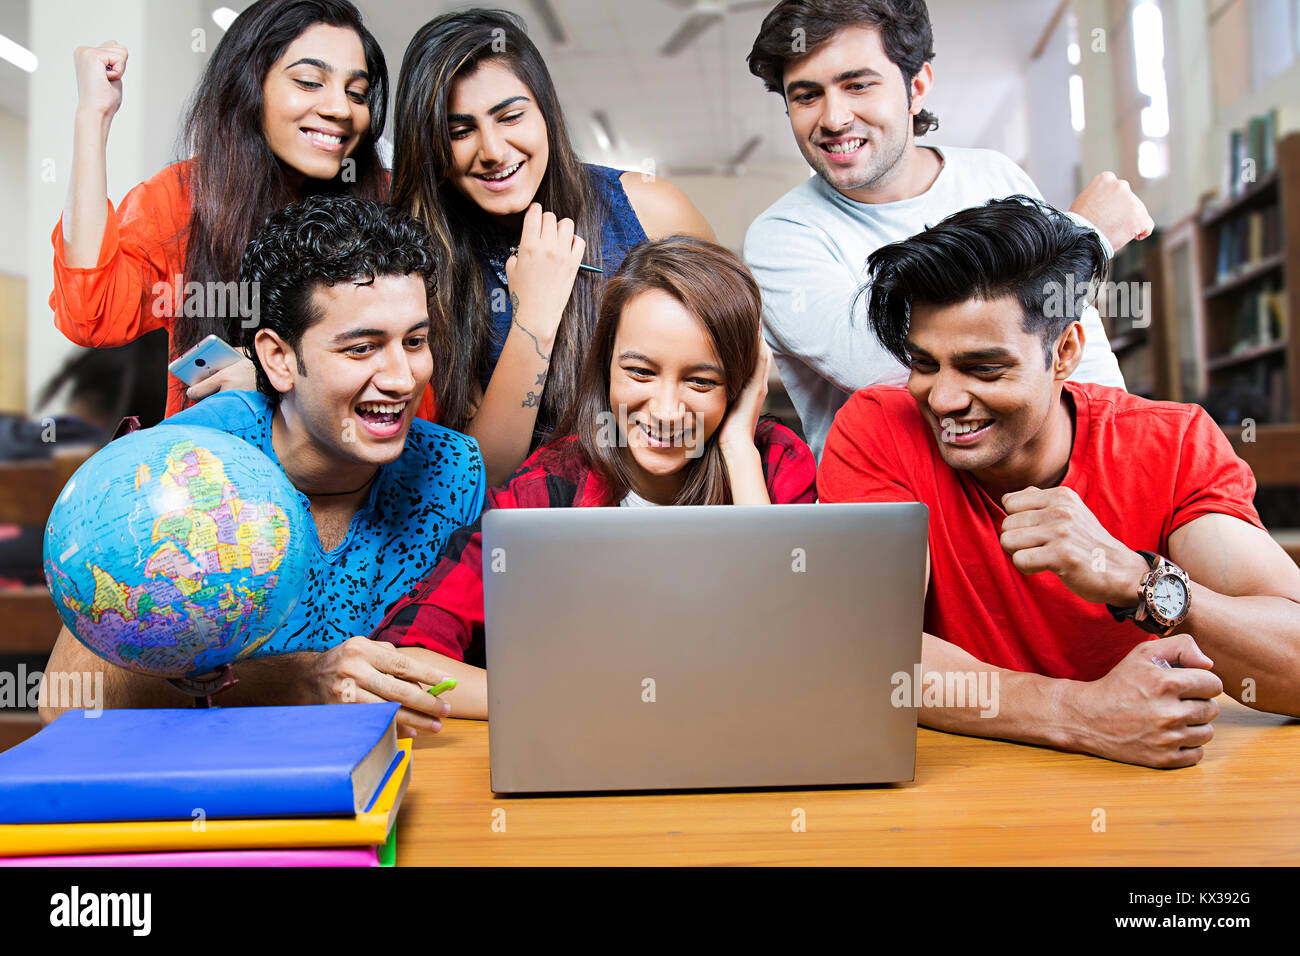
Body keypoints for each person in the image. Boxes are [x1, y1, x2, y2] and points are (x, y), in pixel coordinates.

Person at [818, 197, 1300, 769]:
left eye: (984, 369)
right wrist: (1079, 714)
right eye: (925, 364)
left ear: (1065, 351)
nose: (943, 400)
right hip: (961, 795)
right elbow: (870, 653)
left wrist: (1136, 580)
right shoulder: (879, 430)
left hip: (1149, 803)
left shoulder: (1169, 445)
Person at [41, 196, 486, 736]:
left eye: (414, 342)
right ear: (278, 359)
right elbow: (66, 699)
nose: (401, 378)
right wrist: (295, 682)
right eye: (361, 349)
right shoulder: (189, 458)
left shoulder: (452, 470)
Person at [369, 237, 818, 719]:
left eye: (701, 382)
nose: (667, 411)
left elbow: (799, 652)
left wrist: (737, 450)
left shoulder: (772, 463)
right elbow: (404, 664)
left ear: (740, 384)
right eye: (640, 372)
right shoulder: (544, 490)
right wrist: (573, 702)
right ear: (606, 368)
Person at [743, 0, 1153, 458]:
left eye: (857, 85)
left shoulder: (994, 176)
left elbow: (1073, 342)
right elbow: (882, 362)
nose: (834, 118)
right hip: (893, 508)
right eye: (805, 95)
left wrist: (1124, 468)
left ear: (916, 87)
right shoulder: (781, 235)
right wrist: (1084, 239)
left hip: (1050, 488)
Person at [391, 8, 716, 486]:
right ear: (432, 147)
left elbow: (736, 358)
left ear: (546, 112)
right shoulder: (425, 267)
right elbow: (481, 479)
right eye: (460, 131)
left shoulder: (650, 208)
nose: (494, 150)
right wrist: (535, 319)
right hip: (526, 531)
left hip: (667, 510)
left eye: (511, 116)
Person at [52, 0, 391, 418]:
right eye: (308, 82)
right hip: (213, 473)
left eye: (356, 93)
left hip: (351, 476)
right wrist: (93, 116)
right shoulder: (186, 198)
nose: (340, 108)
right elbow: (92, 313)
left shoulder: (384, 202)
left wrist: (276, 378)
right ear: (248, 87)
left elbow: (404, 370)